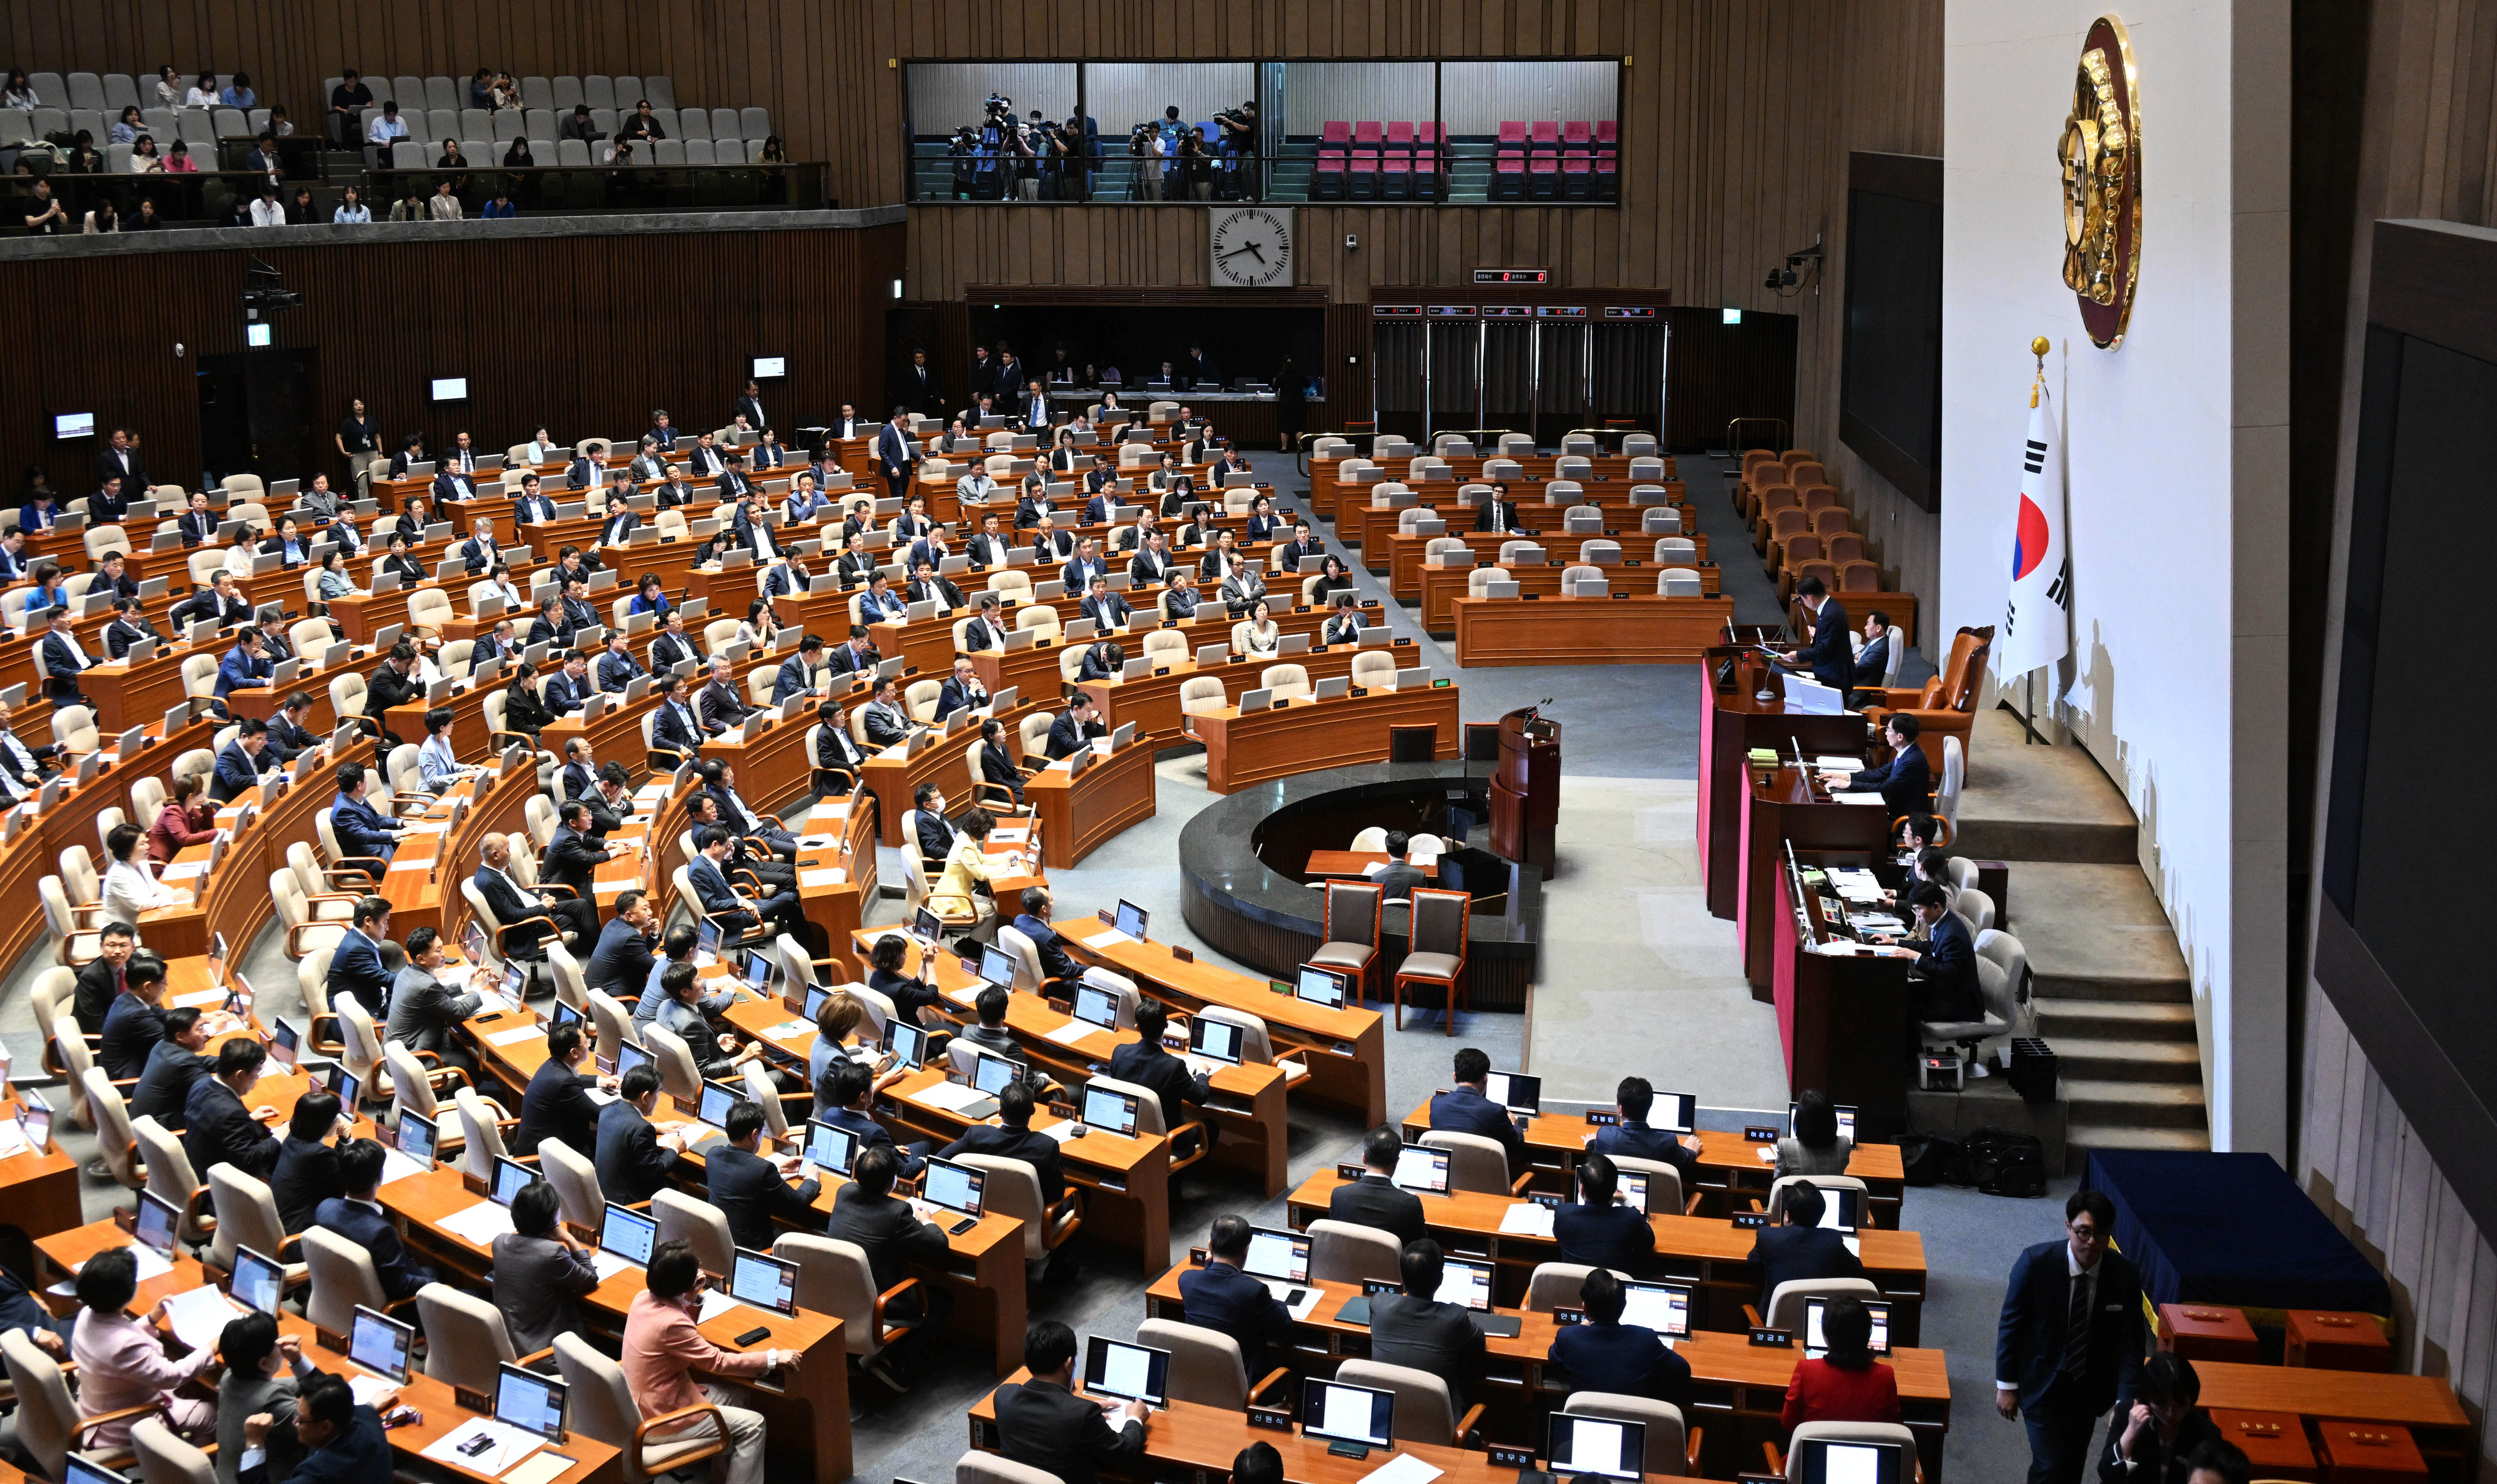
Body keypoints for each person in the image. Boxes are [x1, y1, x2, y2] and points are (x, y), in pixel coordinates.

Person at [1999, 1189, 2146, 1484]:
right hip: (2041, 1381)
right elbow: (2011, 1325)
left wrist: (2124, 1402)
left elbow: (2132, 1344)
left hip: (2089, 1389)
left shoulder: (2124, 1275)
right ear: (2068, 1226)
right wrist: (2006, 1385)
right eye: (2084, 1232)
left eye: (2100, 1234)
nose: (2091, 1242)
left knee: (2072, 1464)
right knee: (2049, 1464)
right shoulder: (2036, 1263)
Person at [622, 1239, 793, 1484]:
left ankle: (719, 1478)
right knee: (755, 1425)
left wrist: (693, 1294)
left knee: (739, 1396)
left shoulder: (642, 1298)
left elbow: (679, 1322)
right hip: (662, 1419)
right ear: (683, 1284)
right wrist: (773, 1358)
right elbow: (718, 1363)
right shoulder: (671, 1324)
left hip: (644, 1403)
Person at [70, 1246, 219, 1448]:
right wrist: (214, 1346)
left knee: (193, 1387)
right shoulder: (124, 1346)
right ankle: (190, 1471)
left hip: (99, 1405)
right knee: (210, 1415)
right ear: (128, 1293)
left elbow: (114, 1336)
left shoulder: (86, 1315)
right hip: (123, 1424)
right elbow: (172, 1376)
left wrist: (151, 1319)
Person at [993, 1319, 1147, 1484]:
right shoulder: (1081, 1415)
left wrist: (1086, 1408)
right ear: (1068, 1364)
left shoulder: (1004, 1396)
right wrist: (1135, 1418)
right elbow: (1122, 1453)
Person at [1369, 1239, 1488, 1408]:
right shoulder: (1455, 1318)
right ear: (1440, 1280)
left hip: (1387, 1417)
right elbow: (1479, 1342)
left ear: (1401, 1277)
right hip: (1438, 1425)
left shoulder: (1379, 1305)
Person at [1549, 1267, 1691, 1407]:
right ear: (1623, 1306)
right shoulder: (1645, 1339)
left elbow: (1553, 1359)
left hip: (1584, 1419)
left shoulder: (1568, 1337)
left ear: (1585, 1309)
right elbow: (1683, 1370)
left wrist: (1582, 1327)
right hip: (1634, 1424)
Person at [492, 1179, 601, 1356]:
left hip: (510, 1344)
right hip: (546, 1353)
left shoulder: (500, 1242)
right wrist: (570, 1240)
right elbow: (589, 1279)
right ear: (553, 1218)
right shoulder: (552, 1253)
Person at [707, 1097, 822, 1250]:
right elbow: (798, 1203)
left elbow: (743, 1172)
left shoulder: (712, 1155)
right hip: (754, 1248)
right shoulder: (762, 1170)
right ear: (755, 1135)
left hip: (722, 1242)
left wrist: (777, 1167)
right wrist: (812, 1179)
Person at [1746, 1181, 1867, 1314]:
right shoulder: (1832, 1239)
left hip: (1776, 1322)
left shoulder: (1767, 1236)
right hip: (1821, 1320)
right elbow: (1857, 1268)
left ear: (1787, 1217)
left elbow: (1753, 1261)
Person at [214, 1312, 306, 1484]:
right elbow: (323, 1420)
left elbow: (278, 1386)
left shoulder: (229, 1376)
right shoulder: (274, 1400)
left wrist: (299, 1362)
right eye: (278, 1342)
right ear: (263, 1363)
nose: (283, 1344)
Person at [1782, 1294, 1901, 1426]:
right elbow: (1894, 1427)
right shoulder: (1885, 1376)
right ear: (1868, 1333)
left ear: (1826, 1335)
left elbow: (1789, 1422)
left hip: (1814, 1446)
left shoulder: (1806, 1370)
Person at [1879, 881, 1983, 1025]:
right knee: (1895, 993)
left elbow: (1949, 972)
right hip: (1942, 989)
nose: (1917, 915)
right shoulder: (1943, 920)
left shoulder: (1952, 934)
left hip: (1957, 1003)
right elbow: (1930, 947)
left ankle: (1911, 1047)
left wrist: (1915, 956)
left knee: (1898, 1005)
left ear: (1936, 907)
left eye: (1919, 910)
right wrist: (1895, 942)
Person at [184, 1037, 284, 1183]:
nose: (257, 1078)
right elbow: (248, 1161)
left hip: (198, 1164)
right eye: (257, 1072)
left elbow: (214, 1123)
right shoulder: (232, 1113)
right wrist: (280, 1136)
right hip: (216, 1185)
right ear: (240, 1075)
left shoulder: (201, 1084)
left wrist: (248, 1119)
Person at [1107, 998, 1210, 1141]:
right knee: (1211, 1127)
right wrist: (1202, 1071)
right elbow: (1201, 1097)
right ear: (1166, 1025)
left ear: (1137, 1028)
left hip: (1127, 1130)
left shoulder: (1120, 1053)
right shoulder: (1174, 1066)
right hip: (1168, 1141)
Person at [384, 926, 480, 1076]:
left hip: (398, 1052)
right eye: (438, 950)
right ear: (421, 959)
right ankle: (446, 1098)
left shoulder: (408, 972)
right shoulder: (424, 986)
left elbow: (439, 993)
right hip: (413, 1059)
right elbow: (459, 1012)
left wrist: (469, 984)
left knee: (465, 1045)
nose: (444, 954)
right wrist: (478, 989)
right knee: (472, 1066)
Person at [597, 1063, 689, 1205]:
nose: (658, 1100)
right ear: (645, 1097)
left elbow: (627, 1128)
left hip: (607, 1193)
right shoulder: (642, 1130)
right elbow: (655, 1171)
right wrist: (674, 1149)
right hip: (632, 1204)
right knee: (686, 1188)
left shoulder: (607, 1111)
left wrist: (655, 1127)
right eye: (658, 1094)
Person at [1591, 1075, 1705, 1188]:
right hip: (1657, 1203)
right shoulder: (1667, 1143)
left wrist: (1589, 1143)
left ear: (1620, 1109)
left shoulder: (1606, 1136)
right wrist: (1691, 1151)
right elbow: (1684, 1160)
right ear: (1650, 1106)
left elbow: (1595, 1149)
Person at [1430, 1046, 1526, 1171]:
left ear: (1455, 1077)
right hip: (1485, 1184)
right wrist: (1514, 1125)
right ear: (1485, 1078)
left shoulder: (1436, 1104)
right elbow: (1516, 1153)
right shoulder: (1495, 1112)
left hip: (1446, 1178)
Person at [1555, 1153, 1656, 1272]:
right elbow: (1649, 1241)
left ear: (1582, 1189)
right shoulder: (1630, 1218)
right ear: (1615, 1188)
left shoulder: (1563, 1214)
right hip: (1613, 1288)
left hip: (1573, 1288)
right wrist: (1625, 1200)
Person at [1328, 1126, 1427, 1244]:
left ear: (1364, 1158)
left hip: (1348, 1262)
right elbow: (1420, 1248)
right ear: (1396, 1163)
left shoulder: (1339, 1196)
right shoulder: (1410, 1204)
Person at [270, 1091, 350, 1234]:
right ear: (324, 1123)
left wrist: (344, 1140)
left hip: (283, 1224)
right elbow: (346, 1187)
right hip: (302, 1235)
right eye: (335, 1118)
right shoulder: (319, 1154)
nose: (338, 1121)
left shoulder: (291, 1139)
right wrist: (347, 1141)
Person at [131, 1005, 218, 1126]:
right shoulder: (182, 1061)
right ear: (181, 1037)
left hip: (145, 1123)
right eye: (200, 1029)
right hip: (164, 1133)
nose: (206, 1033)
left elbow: (200, 1061)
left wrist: (235, 1061)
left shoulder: (164, 1045)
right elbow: (216, 1092)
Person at [1837, 712, 1933, 816]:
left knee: (1853, 816)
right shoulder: (1908, 751)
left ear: (1900, 736)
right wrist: (1847, 777)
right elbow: (1881, 772)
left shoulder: (1912, 761)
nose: (1886, 733)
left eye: (1889, 730)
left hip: (1905, 819)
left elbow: (1886, 788)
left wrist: (1849, 785)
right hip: (1895, 807)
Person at [101, 821, 183, 927]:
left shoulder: (141, 862)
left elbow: (153, 885)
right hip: (123, 930)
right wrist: (170, 898)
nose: (148, 846)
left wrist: (174, 893)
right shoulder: (117, 875)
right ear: (128, 849)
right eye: (142, 844)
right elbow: (139, 904)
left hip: (146, 918)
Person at [327, 897, 395, 1019]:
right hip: (366, 1017)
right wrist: (420, 973)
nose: (388, 928)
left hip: (378, 1000)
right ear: (368, 921)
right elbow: (386, 978)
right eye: (385, 922)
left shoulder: (361, 939)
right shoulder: (355, 950)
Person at [1783, 575, 1852, 695]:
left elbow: (1825, 649)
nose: (1804, 603)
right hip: (1831, 672)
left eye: (1803, 600)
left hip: (1835, 676)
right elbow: (1832, 638)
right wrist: (1818, 634)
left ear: (1810, 598)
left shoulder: (1831, 614)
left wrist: (1798, 655)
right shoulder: (1829, 607)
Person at [1779, 1089, 1855, 1178]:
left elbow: (1777, 1184)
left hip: (1799, 1192)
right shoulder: (1845, 1144)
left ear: (1800, 1120)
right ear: (1832, 1120)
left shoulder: (1785, 1147)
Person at [877, 406, 921, 501]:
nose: (905, 423)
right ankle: (899, 514)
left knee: (902, 495)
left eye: (907, 420)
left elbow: (905, 447)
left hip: (905, 466)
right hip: (895, 469)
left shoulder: (901, 430)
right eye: (903, 420)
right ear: (895, 418)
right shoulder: (887, 431)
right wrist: (892, 467)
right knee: (898, 496)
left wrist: (920, 457)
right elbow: (882, 451)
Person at [1045, 693, 1107, 759]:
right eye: (1088, 710)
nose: (1091, 713)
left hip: (1078, 759)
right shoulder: (1060, 723)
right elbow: (1073, 745)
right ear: (1076, 709)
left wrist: (1099, 717)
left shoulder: (1085, 719)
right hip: (1058, 761)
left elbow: (1101, 737)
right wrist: (1095, 741)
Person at [1370, 831, 1426, 902]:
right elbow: (1423, 904)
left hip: (1385, 913)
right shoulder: (1420, 876)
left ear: (1387, 851)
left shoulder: (1376, 877)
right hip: (1410, 914)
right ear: (1407, 850)